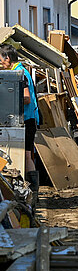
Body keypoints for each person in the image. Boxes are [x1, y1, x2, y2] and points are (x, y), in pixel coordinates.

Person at [0, 45, 40, 203]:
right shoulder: (19, 71)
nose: (0, 63)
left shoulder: (20, 74)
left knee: (26, 155)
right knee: (27, 155)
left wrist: (7, 101)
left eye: (1, 60)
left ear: (7, 58)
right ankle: (30, 193)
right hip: (27, 119)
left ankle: (32, 193)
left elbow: (26, 97)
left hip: (27, 119)